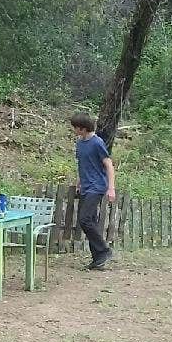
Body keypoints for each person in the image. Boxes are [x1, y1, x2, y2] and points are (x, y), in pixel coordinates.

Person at [70, 113, 117, 269]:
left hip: (97, 186)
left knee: (84, 219)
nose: (74, 130)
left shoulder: (97, 143)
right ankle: (98, 260)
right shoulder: (79, 143)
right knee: (91, 221)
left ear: (83, 128)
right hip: (86, 186)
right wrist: (79, 183)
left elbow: (109, 165)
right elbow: (82, 164)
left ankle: (104, 250)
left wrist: (111, 188)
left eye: (75, 127)